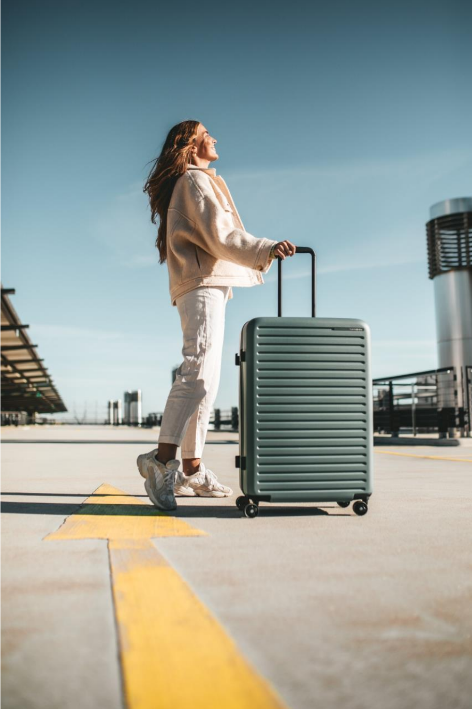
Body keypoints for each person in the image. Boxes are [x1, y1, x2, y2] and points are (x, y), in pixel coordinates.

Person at [138, 120, 296, 510]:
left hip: (204, 286)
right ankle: (161, 462)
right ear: (190, 147)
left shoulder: (194, 181)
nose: (214, 137)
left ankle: (191, 468)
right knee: (196, 372)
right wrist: (266, 248)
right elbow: (221, 233)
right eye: (205, 134)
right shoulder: (194, 182)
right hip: (202, 286)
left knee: (206, 378)